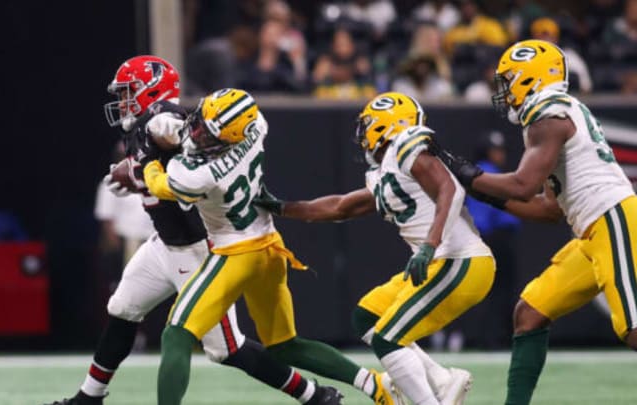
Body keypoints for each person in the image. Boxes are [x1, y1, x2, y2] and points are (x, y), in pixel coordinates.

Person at [46, 57, 344, 405]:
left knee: (226, 349)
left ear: (150, 90)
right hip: (163, 244)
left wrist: (143, 171)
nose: (124, 101)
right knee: (123, 308)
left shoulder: (161, 119)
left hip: (197, 250)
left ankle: (314, 395)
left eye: (129, 92)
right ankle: (88, 397)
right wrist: (136, 173)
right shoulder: (142, 126)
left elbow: (179, 135)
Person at [142, 88, 406, 405]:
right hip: (269, 246)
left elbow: (160, 183)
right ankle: (377, 386)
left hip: (235, 254)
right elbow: (204, 133)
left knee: (177, 334)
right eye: (199, 125)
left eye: (207, 134)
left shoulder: (196, 175)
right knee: (285, 344)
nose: (198, 136)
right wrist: (186, 128)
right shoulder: (256, 128)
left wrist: (148, 159)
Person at [254, 92, 496, 405]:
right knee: (367, 316)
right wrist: (282, 207)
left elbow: (450, 189)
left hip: (458, 259)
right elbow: (340, 207)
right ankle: (442, 379)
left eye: (368, 126)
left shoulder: (405, 144)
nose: (363, 136)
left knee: (388, 339)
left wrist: (429, 245)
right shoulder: (387, 170)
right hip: (441, 261)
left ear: (387, 124)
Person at [432, 39, 637, 405]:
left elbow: (523, 186)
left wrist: (466, 174)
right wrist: (478, 187)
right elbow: (547, 208)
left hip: (613, 218)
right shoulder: (551, 114)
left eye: (509, 80)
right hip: (592, 231)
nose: (504, 90)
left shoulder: (549, 115)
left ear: (532, 78)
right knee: (531, 312)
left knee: (634, 328)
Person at [463, 131, 521, 349]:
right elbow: (481, 218)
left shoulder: (483, 173)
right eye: (495, 150)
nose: (500, 154)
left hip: (490, 238)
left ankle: (492, 336)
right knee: (499, 291)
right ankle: (493, 338)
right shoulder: (486, 174)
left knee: (495, 291)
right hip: (493, 239)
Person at [530, 17, 592, 94]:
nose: (544, 40)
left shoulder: (569, 56)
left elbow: (586, 87)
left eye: (548, 36)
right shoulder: (527, 59)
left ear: (556, 38)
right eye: (540, 36)